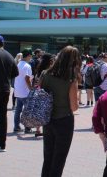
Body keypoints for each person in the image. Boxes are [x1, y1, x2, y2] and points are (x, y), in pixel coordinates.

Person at [40, 45, 80, 177]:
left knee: (48, 157)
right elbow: (74, 107)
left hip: (47, 118)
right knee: (59, 159)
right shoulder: (70, 79)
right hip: (64, 120)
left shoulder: (45, 74)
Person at [33, 53, 55, 138]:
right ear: (50, 61)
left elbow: (36, 81)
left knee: (39, 110)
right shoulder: (48, 71)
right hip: (47, 93)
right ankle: (47, 130)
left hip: (39, 92)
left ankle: (38, 129)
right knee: (48, 111)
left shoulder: (39, 69)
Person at [13, 48, 34, 133]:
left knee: (18, 110)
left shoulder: (18, 64)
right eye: (30, 55)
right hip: (25, 92)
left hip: (18, 91)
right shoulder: (27, 65)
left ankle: (16, 126)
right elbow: (27, 78)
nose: (31, 57)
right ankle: (27, 128)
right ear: (28, 55)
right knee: (28, 110)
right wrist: (31, 89)